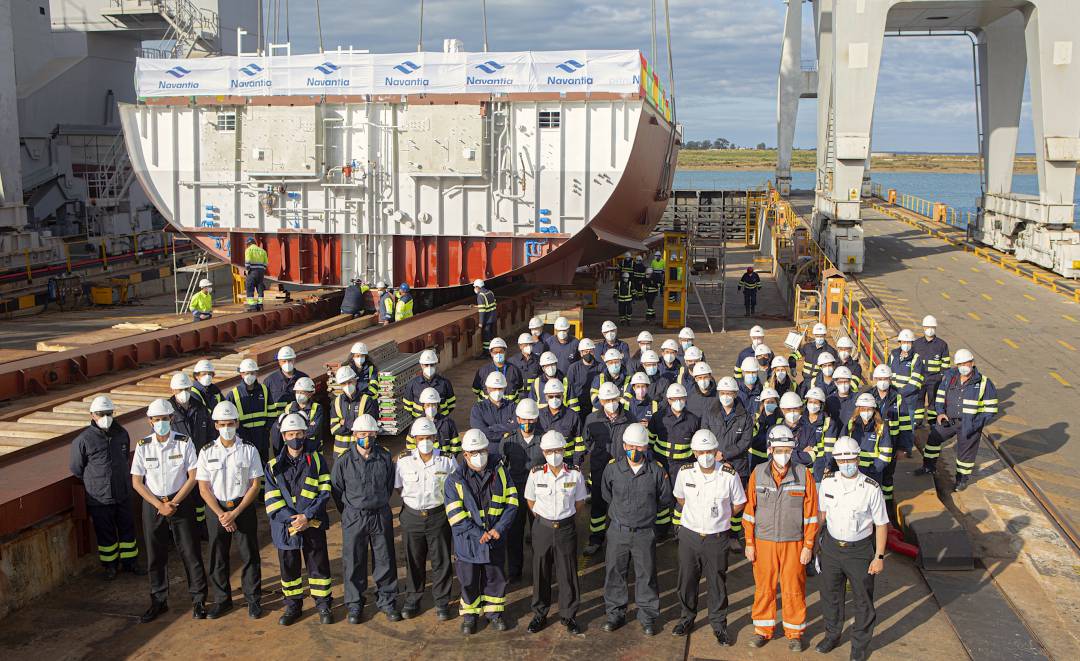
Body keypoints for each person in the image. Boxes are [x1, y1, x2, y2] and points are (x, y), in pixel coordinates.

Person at [743, 425, 819, 652]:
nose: (783, 454)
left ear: (793, 449)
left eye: (787, 449)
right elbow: (749, 511)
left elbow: (812, 515)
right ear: (770, 449)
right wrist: (749, 542)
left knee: (793, 588)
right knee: (764, 588)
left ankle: (794, 633)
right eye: (779, 449)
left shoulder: (804, 475)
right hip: (763, 542)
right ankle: (763, 630)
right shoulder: (758, 473)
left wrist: (808, 546)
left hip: (793, 543)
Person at [815, 437, 889, 661]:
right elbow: (822, 515)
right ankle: (832, 634)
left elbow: (882, 523)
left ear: (858, 458)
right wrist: (814, 544)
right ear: (835, 460)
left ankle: (859, 644)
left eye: (850, 458)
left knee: (862, 600)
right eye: (841, 459)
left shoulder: (871, 487)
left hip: (859, 551)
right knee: (830, 595)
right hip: (831, 547)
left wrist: (879, 556)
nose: (846, 462)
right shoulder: (828, 483)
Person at [131, 398, 206, 622]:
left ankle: (199, 600)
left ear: (172, 419)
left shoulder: (184, 442)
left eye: (165, 419)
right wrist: (159, 505)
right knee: (155, 554)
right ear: (150, 422)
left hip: (180, 502)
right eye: (157, 419)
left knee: (191, 552)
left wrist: (174, 503)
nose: (161, 422)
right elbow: (137, 481)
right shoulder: (144, 446)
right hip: (153, 504)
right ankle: (158, 600)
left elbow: (193, 476)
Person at [672, 429, 747, 646]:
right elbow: (680, 498)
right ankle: (686, 618)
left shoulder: (728, 475)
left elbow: (739, 502)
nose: (705, 455)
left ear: (716, 451)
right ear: (694, 452)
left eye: (709, 451)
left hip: (717, 538)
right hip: (689, 535)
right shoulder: (685, 473)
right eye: (701, 451)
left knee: (717, 582)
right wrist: (699, 516)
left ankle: (719, 624)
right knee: (686, 581)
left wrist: (721, 518)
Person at [600, 423, 674, 636]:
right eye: (630, 445)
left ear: (646, 447)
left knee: (646, 575)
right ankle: (615, 614)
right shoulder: (612, 468)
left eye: (639, 446)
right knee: (614, 573)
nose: (635, 450)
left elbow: (664, 499)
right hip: (618, 531)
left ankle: (648, 616)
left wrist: (646, 516)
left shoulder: (657, 471)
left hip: (644, 533)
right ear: (623, 445)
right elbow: (606, 494)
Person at [445, 429, 519, 635]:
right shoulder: (454, 480)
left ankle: (494, 614)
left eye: (482, 450)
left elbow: (512, 502)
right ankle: (470, 616)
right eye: (474, 452)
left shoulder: (501, 471)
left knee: (495, 578)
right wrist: (479, 534)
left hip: (495, 538)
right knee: (468, 581)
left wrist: (499, 528)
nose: (479, 456)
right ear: (465, 454)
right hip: (469, 542)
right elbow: (456, 516)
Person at [264, 413, 334, 626]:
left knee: (318, 565)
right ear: (284, 436)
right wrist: (292, 520)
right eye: (291, 434)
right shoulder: (273, 465)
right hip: (286, 528)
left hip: (311, 523)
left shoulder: (317, 460)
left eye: (299, 433)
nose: (295, 437)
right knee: (289, 568)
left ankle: (323, 604)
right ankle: (293, 605)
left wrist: (307, 516)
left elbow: (325, 490)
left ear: (305, 434)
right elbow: (272, 498)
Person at [331, 414, 401, 624]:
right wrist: (349, 511)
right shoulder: (343, 461)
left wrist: (376, 502)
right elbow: (336, 489)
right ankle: (355, 604)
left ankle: (387, 601)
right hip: (354, 516)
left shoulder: (385, 457)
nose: (366, 437)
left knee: (385, 559)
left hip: (380, 513)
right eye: (362, 434)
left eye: (370, 433)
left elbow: (389, 485)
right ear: (354, 435)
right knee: (353, 560)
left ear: (376, 434)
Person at [197, 401, 264, 619]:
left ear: (237, 423)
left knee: (249, 555)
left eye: (230, 423)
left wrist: (235, 513)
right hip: (217, 510)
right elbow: (203, 488)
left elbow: (255, 484)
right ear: (215, 425)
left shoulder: (249, 450)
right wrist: (221, 514)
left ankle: (253, 600)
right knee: (217, 556)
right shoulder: (206, 452)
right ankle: (221, 600)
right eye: (222, 423)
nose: (226, 427)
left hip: (242, 507)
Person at [69, 395, 142, 580]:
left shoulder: (122, 434)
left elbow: (125, 459)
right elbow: (76, 468)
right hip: (99, 497)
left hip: (122, 493)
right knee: (105, 533)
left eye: (108, 413)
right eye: (101, 414)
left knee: (127, 529)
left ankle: (130, 562)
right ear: (93, 415)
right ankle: (110, 566)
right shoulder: (83, 440)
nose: (105, 417)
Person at [525, 430, 588, 635]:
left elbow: (580, 503)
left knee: (567, 573)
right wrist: (543, 518)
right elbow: (531, 500)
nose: (554, 454)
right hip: (542, 528)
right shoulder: (535, 474)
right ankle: (540, 614)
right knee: (541, 571)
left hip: (565, 529)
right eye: (550, 450)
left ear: (564, 450)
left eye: (558, 450)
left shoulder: (575, 474)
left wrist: (563, 518)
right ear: (543, 452)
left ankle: (568, 615)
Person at [396, 417, 456, 620]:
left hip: (438, 515)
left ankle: (442, 602)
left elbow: (455, 487)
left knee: (441, 560)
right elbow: (398, 487)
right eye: (421, 438)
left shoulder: (447, 460)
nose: (425, 441)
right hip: (412, 516)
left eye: (429, 437)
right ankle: (413, 599)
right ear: (414, 439)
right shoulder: (403, 460)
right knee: (413, 560)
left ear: (435, 437)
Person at [915, 349, 998, 491]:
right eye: (960, 364)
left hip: (969, 424)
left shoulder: (984, 383)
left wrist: (975, 424)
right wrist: (940, 413)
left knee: (965, 454)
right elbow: (940, 396)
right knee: (934, 438)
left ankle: (961, 480)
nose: (963, 366)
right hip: (949, 420)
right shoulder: (949, 378)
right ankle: (928, 466)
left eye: (966, 363)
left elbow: (990, 410)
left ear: (972, 363)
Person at [582, 381, 634, 556]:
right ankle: (596, 539)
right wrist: (597, 456)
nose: (611, 403)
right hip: (600, 470)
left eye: (614, 399)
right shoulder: (592, 419)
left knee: (621, 505)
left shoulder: (630, 419)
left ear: (619, 399)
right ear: (601, 402)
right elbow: (587, 442)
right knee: (598, 506)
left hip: (622, 471)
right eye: (607, 400)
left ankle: (620, 540)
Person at [703, 376, 754, 546]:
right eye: (722, 393)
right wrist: (714, 454)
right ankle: (715, 529)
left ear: (735, 394)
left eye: (729, 393)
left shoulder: (744, 416)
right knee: (715, 497)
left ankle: (733, 535)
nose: (726, 396)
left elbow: (745, 442)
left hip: (737, 465)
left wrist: (724, 455)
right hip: (714, 464)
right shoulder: (710, 412)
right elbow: (705, 434)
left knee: (736, 501)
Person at [499, 398, 544, 582]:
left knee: (538, 534)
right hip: (516, 495)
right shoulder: (509, 442)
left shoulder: (544, 440)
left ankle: (539, 570)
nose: (527, 423)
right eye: (524, 420)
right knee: (514, 534)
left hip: (539, 496)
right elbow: (502, 470)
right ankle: (514, 571)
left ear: (536, 419)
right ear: (517, 419)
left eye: (531, 419)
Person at [649, 382, 699, 534]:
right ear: (669, 400)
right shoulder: (659, 417)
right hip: (661, 464)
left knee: (682, 497)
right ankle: (662, 529)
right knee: (662, 496)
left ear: (686, 399)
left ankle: (677, 527)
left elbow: (696, 447)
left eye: (682, 398)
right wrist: (654, 463)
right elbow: (650, 442)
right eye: (675, 399)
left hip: (683, 466)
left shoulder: (693, 420)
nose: (678, 402)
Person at [887, 329, 926, 451]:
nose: (906, 344)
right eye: (904, 342)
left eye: (909, 342)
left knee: (908, 425)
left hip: (908, 399)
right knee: (892, 423)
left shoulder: (917, 359)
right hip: (893, 398)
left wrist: (898, 393)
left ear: (912, 343)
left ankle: (907, 449)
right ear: (899, 342)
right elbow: (887, 374)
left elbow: (915, 383)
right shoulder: (893, 355)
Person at [226, 358, 270, 460]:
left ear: (256, 373)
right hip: (243, 438)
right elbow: (229, 418)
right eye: (246, 373)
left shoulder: (264, 390)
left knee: (262, 465)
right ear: (241, 374)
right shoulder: (233, 394)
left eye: (252, 373)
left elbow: (271, 412)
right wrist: (240, 434)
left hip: (262, 437)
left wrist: (266, 429)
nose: (249, 376)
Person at [330, 365, 379, 456]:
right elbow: (334, 429)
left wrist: (343, 422)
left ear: (355, 381)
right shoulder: (336, 402)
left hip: (362, 451)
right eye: (344, 383)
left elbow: (368, 428)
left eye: (350, 382)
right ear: (340, 385)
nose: (347, 386)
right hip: (340, 453)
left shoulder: (367, 400)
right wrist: (357, 427)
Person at [269, 377, 324, 456]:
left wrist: (293, 432)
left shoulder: (317, 408)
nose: (299, 395)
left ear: (310, 393)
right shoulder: (289, 407)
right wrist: (306, 427)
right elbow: (281, 429)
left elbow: (314, 430)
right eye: (297, 392)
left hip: (312, 450)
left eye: (302, 392)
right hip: (293, 450)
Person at [912, 315, 949, 428]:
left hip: (934, 380)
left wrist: (941, 376)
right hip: (920, 379)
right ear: (923, 327)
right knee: (918, 401)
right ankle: (917, 423)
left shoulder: (942, 345)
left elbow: (946, 363)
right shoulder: (916, 344)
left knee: (933, 402)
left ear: (936, 328)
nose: (930, 329)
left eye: (932, 327)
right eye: (928, 327)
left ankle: (933, 423)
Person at [538, 379, 586, 465]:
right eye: (551, 396)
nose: (554, 399)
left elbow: (580, 443)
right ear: (546, 397)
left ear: (563, 396)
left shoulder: (572, 416)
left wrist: (576, 464)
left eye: (558, 396)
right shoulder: (539, 416)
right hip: (544, 463)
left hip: (568, 462)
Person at [403, 349, 456, 418]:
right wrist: (418, 417)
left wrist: (442, 417)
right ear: (421, 365)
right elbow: (407, 406)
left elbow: (451, 404)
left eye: (432, 365)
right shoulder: (413, 384)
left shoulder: (445, 383)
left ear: (436, 364)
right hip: (420, 422)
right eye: (426, 365)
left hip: (441, 421)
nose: (429, 367)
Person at [407, 387, 461, 454]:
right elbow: (410, 446)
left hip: (443, 462)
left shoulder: (448, 423)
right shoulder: (416, 424)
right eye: (428, 405)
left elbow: (456, 445)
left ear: (438, 405)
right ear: (423, 406)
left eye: (434, 405)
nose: (431, 408)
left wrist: (449, 460)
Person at [469, 371, 518, 444]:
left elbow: (516, 427)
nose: (497, 391)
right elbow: (481, 432)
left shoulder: (513, 406)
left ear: (504, 388)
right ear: (488, 389)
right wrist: (506, 431)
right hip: (489, 451)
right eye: (494, 388)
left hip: (510, 449)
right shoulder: (478, 409)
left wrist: (492, 428)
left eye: (500, 388)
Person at [472, 337, 524, 403]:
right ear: (491, 353)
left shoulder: (514, 370)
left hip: (510, 409)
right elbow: (475, 390)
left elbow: (520, 389)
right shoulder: (482, 371)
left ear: (505, 352)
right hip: (488, 410)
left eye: (501, 351)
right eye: (495, 352)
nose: (498, 354)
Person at [264, 346, 307, 417]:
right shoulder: (270, 381)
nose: (287, 363)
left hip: (298, 422)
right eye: (284, 361)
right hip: (276, 423)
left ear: (294, 360)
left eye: (290, 360)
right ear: (279, 362)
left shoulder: (303, 379)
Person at [566, 337, 599, 417]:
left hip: (595, 406)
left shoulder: (601, 367)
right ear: (581, 353)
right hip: (578, 407)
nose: (588, 353)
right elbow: (569, 389)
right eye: (585, 351)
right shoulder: (573, 368)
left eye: (590, 351)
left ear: (594, 352)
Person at [244, 237, 268, 311]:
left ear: (248, 244)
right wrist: (262, 271)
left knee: (249, 287)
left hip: (252, 271)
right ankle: (260, 304)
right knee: (259, 287)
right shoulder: (263, 251)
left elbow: (248, 261)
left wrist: (247, 270)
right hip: (261, 272)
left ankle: (252, 306)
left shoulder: (248, 250)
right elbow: (265, 263)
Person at [474, 279, 498, 352]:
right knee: (491, 335)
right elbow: (493, 303)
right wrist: (478, 306)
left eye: (475, 287)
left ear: (478, 287)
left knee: (486, 336)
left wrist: (481, 322)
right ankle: (493, 349)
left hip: (487, 320)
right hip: (493, 317)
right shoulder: (490, 292)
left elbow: (482, 311)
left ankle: (486, 352)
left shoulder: (480, 295)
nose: (474, 289)